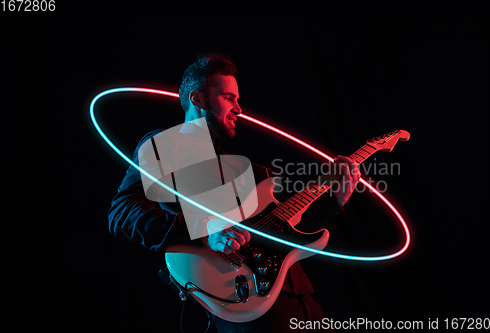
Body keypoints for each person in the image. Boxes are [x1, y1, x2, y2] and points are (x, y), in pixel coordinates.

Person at [109, 53, 360, 333]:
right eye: (229, 97)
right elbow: (122, 211)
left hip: (295, 294)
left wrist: (336, 198)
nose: (239, 109)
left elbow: (282, 228)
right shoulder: (167, 146)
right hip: (244, 302)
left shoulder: (245, 170)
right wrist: (203, 231)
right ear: (197, 100)